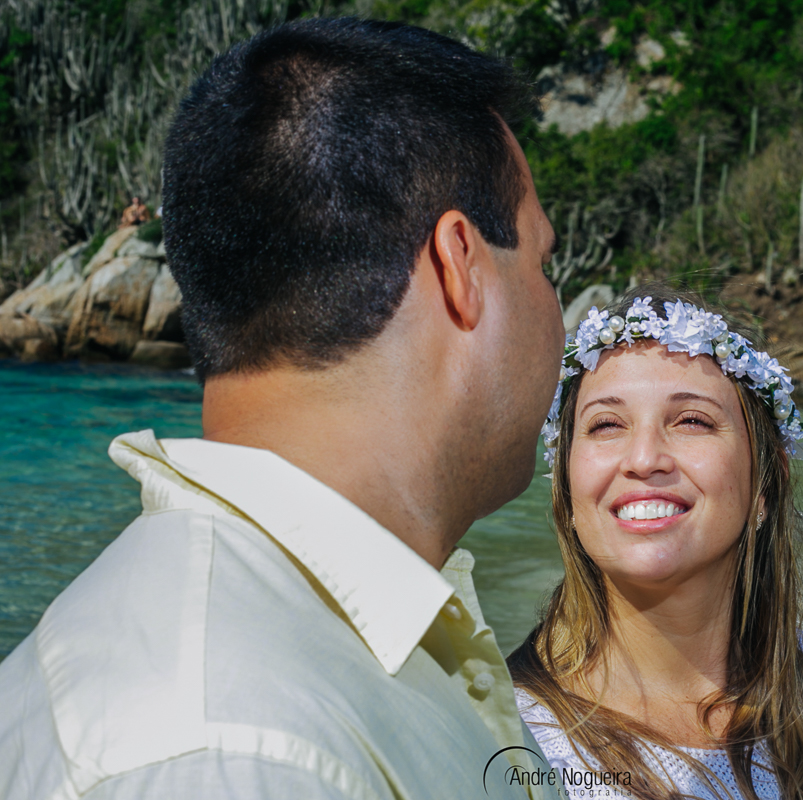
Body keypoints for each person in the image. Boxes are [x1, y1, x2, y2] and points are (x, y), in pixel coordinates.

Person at [0, 17, 564, 800]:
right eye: (544, 262)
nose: (558, 312)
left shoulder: (278, 655)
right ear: (460, 265)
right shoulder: (231, 751)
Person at [509, 287, 803, 800]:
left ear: (765, 483)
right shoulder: (521, 749)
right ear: (565, 489)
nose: (644, 457)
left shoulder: (799, 682)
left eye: (692, 421)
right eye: (606, 424)